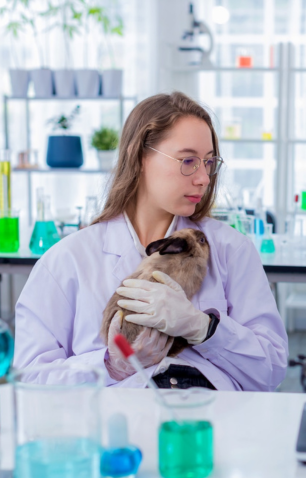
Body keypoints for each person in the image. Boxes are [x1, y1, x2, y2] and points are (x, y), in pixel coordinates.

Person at [13, 92, 288, 390]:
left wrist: (205, 329)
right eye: (188, 161)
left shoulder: (231, 250)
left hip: (213, 422)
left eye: (209, 163)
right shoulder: (67, 261)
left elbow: (271, 370)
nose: (204, 179)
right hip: (115, 429)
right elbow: (30, 381)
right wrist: (111, 365)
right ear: (140, 156)